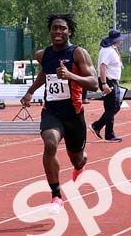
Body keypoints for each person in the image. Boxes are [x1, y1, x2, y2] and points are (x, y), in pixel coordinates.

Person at [19, 14, 99, 214]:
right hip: (52, 112)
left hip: (74, 114)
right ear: (50, 31)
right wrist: (30, 91)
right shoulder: (43, 55)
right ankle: (56, 196)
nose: (58, 32)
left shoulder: (79, 53)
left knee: (76, 158)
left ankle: (80, 164)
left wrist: (71, 75)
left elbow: (94, 83)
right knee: (50, 142)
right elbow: (44, 74)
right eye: (55, 28)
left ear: (69, 31)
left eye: (62, 28)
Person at [91, 29, 126, 143]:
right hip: (108, 81)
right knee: (111, 108)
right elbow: (102, 67)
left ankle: (97, 126)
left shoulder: (113, 49)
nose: (121, 41)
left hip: (113, 81)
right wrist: (104, 83)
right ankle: (109, 134)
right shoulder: (107, 51)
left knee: (116, 106)